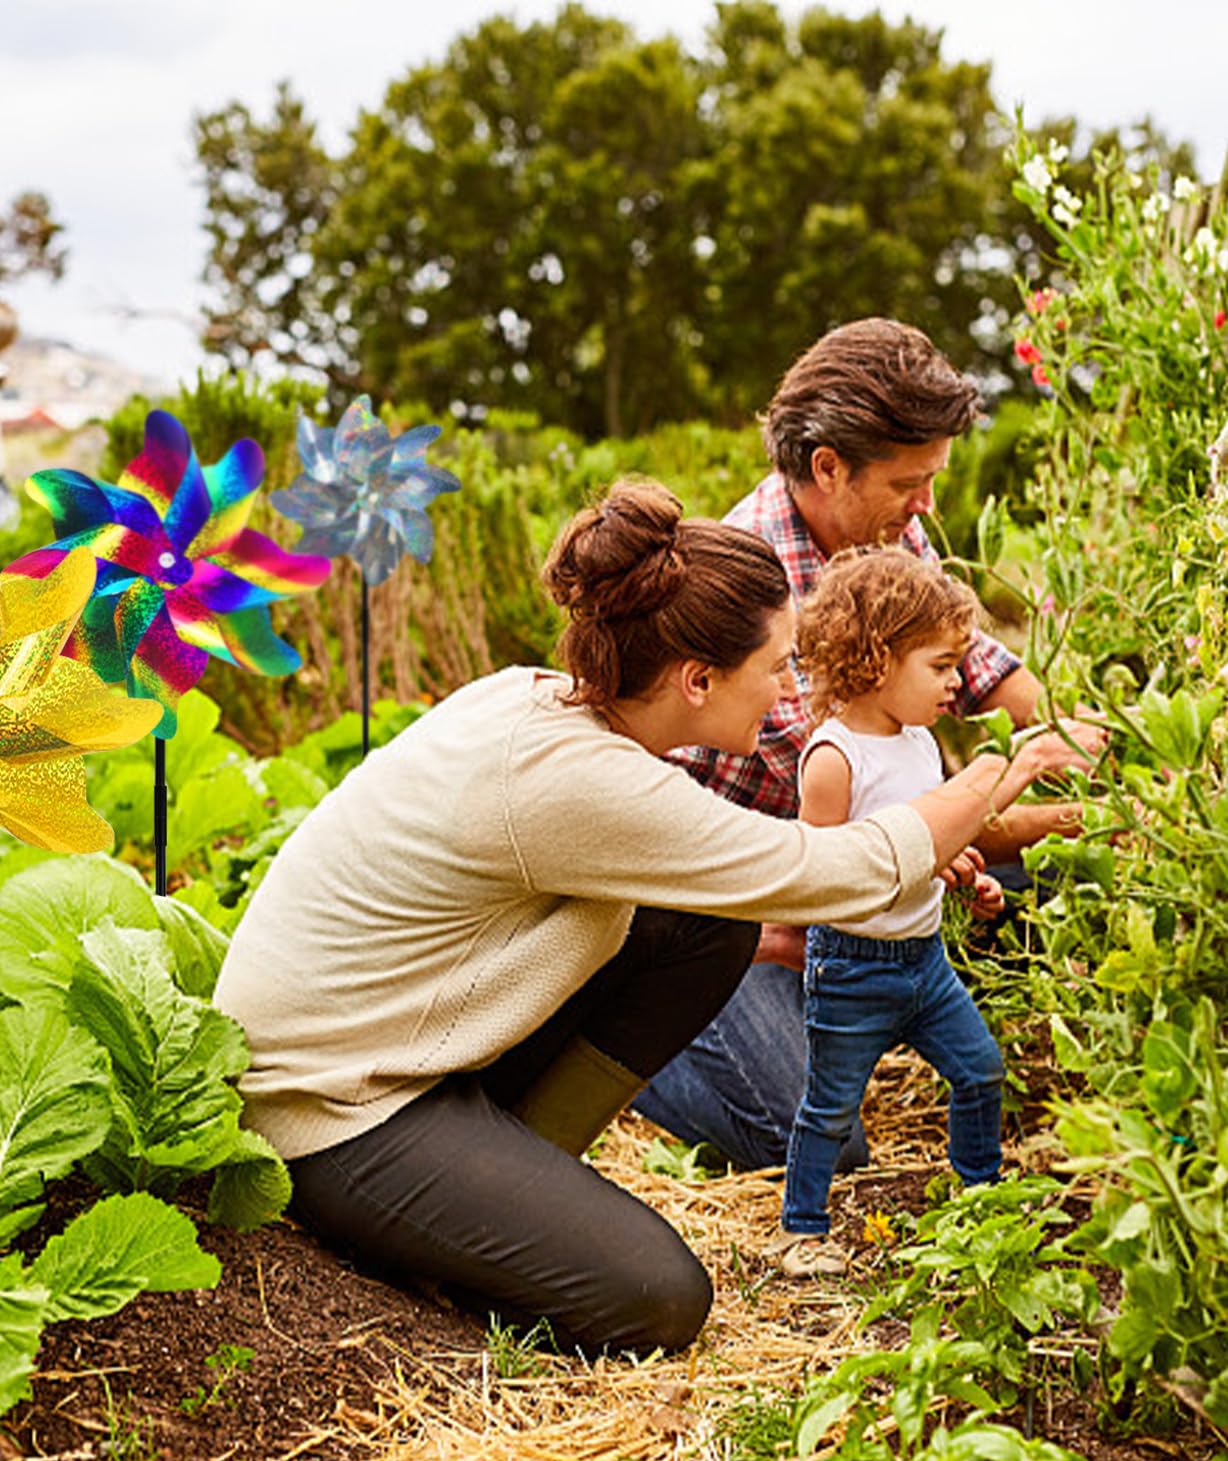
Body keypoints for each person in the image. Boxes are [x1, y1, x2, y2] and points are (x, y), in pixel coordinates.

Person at [212, 479, 1101, 1355]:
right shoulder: (582, 781)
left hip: (404, 1040)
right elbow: (839, 870)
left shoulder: (548, 703)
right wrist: (1002, 772)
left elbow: (761, 891)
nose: (791, 691)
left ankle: (512, 1173)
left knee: (705, 927)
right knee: (658, 1299)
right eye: (775, 667)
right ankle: (455, 1230)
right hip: (329, 1108)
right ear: (698, 680)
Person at [636, 318, 1078, 1175]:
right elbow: (893, 829)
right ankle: (630, 1046)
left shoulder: (877, 535)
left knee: (1035, 886)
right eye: (911, 483)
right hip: (728, 915)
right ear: (829, 467)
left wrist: (1083, 740)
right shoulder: (752, 596)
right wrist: (1054, 814)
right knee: (822, 1142)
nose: (929, 509)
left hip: (846, 879)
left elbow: (990, 671)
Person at [771, 549, 1009, 1275]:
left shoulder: (920, 743)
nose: (957, 683)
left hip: (924, 960)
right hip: (853, 966)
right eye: (940, 666)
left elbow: (920, 840)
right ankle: (800, 1230)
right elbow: (825, 877)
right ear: (877, 661)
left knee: (981, 1071)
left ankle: (980, 1193)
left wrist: (958, 866)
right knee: (831, 1108)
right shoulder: (835, 759)